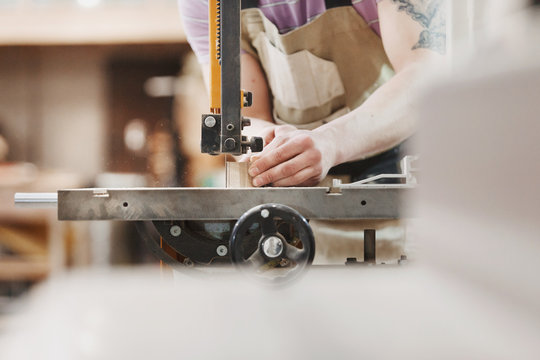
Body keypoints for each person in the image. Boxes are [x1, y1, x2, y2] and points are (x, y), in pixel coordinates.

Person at [178, 0, 445, 187]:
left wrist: (331, 142)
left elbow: (423, 79)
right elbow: (239, 119)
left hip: (400, 172)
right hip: (294, 200)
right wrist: (270, 143)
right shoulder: (209, 4)